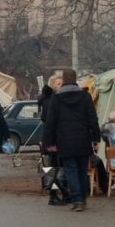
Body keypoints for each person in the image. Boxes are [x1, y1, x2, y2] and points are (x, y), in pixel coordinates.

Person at [43, 69, 100, 212]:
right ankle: (83, 198)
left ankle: (77, 200)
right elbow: (92, 118)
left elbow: (51, 122)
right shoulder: (85, 96)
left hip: (65, 140)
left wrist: (48, 142)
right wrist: (96, 137)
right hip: (83, 139)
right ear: (75, 79)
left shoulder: (57, 98)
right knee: (82, 170)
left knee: (71, 170)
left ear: (64, 79)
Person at [38, 74, 68, 205]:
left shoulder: (53, 98)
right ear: (52, 85)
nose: (61, 86)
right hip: (53, 139)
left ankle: (58, 193)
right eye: (58, 84)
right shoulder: (49, 100)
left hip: (54, 138)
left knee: (56, 167)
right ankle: (54, 194)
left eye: (62, 84)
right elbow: (49, 119)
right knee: (55, 168)